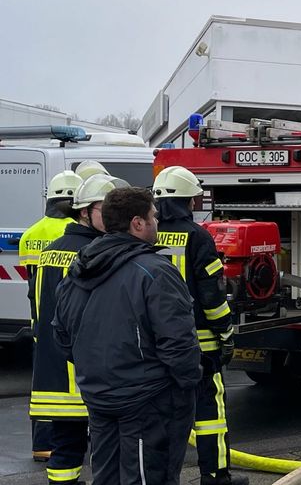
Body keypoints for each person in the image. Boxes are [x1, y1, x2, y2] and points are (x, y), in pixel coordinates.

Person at [52, 187, 201, 484]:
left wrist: (95, 370)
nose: (157, 223)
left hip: (99, 396)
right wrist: (186, 384)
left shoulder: (79, 269)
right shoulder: (155, 271)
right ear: (137, 223)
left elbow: (62, 332)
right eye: (153, 217)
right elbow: (178, 341)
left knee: (106, 476)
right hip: (149, 400)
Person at [29, 174, 128, 484]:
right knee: (104, 447)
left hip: (53, 367)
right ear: (85, 211)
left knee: (65, 446)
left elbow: (36, 307)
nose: (113, 216)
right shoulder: (96, 253)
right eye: (105, 209)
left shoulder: (50, 251)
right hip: (88, 368)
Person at [153, 166, 245, 485]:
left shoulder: (145, 234)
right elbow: (212, 295)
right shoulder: (198, 236)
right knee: (210, 416)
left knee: (162, 415)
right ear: (188, 200)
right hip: (201, 346)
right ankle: (216, 476)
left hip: (157, 345)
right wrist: (227, 334)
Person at [21, 170, 83, 462]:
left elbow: (32, 285)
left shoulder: (31, 233)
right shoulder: (73, 233)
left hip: (39, 320)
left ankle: (41, 445)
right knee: (69, 388)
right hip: (68, 322)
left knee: (43, 386)